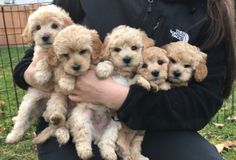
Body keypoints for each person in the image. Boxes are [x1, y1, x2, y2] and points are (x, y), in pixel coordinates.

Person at [13, 0, 236, 159]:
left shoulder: (211, 14)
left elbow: (201, 104)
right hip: (75, 116)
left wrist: (117, 96)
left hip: (155, 127)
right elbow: (31, 62)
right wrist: (34, 75)